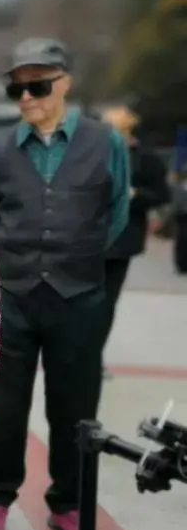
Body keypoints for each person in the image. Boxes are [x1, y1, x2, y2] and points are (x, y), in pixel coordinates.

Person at [0, 38, 131, 530]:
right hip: (14, 294)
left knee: (76, 408)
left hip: (80, 294)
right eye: (16, 87)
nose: (25, 96)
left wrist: (74, 257)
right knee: (2, 403)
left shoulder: (106, 142)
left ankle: (69, 504)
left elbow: (118, 216)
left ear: (65, 83)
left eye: (37, 85)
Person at [98, 106, 169, 373]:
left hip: (123, 242)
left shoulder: (146, 160)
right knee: (82, 302)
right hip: (87, 240)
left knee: (105, 303)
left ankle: (93, 357)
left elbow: (162, 195)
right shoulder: (94, 156)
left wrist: (135, 195)